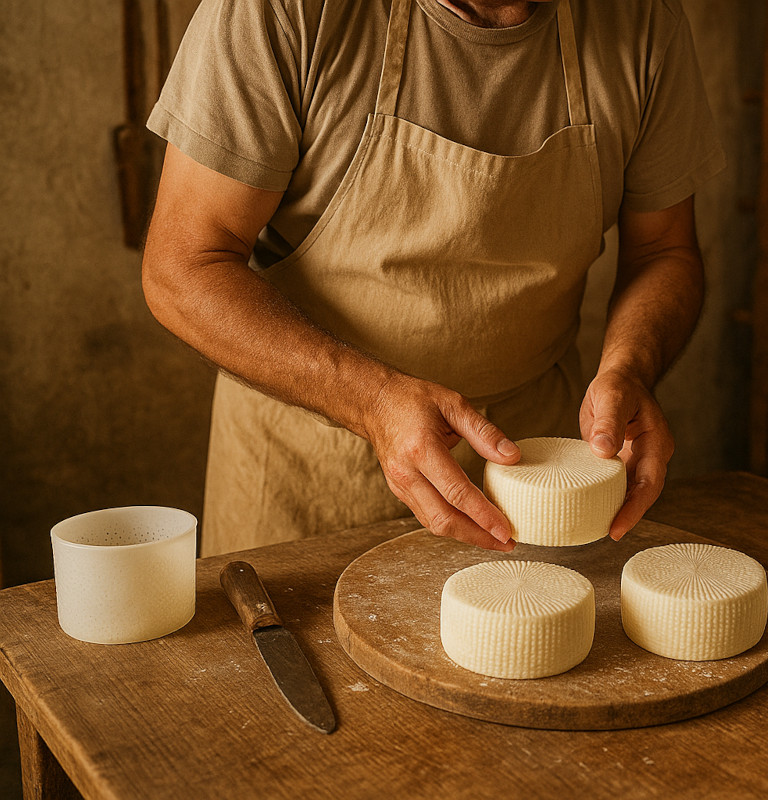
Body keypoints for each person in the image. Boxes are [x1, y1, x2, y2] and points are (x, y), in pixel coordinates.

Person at [141, 0, 725, 556]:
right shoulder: (285, 13)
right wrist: (372, 402)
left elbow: (663, 251)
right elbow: (183, 266)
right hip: (312, 477)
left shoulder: (644, 23)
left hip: (534, 476)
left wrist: (631, 368)